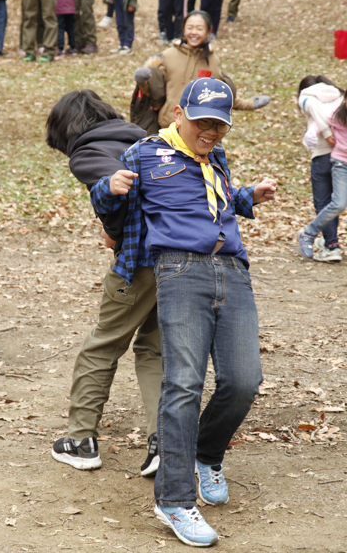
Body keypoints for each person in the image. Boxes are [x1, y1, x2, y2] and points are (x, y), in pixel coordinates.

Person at [90, 77, 276, 547]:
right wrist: (108, 187)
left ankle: (206, 453)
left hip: (232, 270)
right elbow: (105, 198)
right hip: (178, 271)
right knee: (184, 383)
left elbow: (217, 201)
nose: (211, 132)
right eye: (202, 122)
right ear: (178, 114)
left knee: (243, 380)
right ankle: (174, 500)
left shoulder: (215, 157)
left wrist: (248, 196)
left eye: (220, 124)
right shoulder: (146, 153)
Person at [46, 89, 162, 476]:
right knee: (155, 350)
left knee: (102, 346)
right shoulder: (143, 137)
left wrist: (114, 231)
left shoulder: (87, 152)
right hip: (178, 259)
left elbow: (117, 189)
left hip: (138, 262)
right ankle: (165, 442)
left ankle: (80, 441)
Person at [133, 10, 270, 133]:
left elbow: (221, 95)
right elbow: (153, 90)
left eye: (199, 28)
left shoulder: (212, 61)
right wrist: (141, 80)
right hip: (168, 126)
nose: (194, 32)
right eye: (190, 27)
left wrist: (250, 104)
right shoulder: (169, 55)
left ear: (209, 32)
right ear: (183, 29)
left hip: (199, 131)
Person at [296, 75, 343, 262]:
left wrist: (325, 132)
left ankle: (332, 246)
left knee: (323, 202)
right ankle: (328, 241)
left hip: (322, 155)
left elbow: (316, 111)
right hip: (341, 155)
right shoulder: (338, 96)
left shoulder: (306, 98)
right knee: (334, 203)